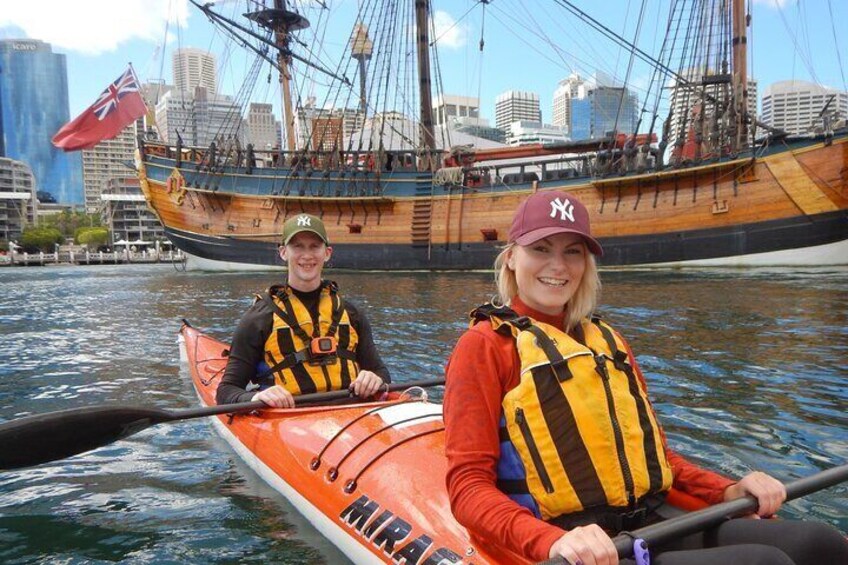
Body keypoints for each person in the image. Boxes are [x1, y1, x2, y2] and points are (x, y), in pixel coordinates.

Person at [443, 191, 848, 565]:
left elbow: (657, 458)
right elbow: (467, 487)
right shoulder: (484, 347)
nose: (558, 265)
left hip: (648, 520)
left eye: (573, 251)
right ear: (512, 257)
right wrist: (549, 541)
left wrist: (727, 490)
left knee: (818, 542)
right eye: (540, 249)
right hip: (572, 542)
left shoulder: (607, 340)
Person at [217, 213, 390, 408]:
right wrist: (256, 398)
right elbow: (226, 391)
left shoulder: (352, 313)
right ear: (283, 252)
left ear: (327, 253)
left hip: (351, 411)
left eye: (314, 246)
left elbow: (382, 373)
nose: (307, 255)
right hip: (291, 419)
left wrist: (375, 379)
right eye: (298, 246)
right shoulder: (258, 318)